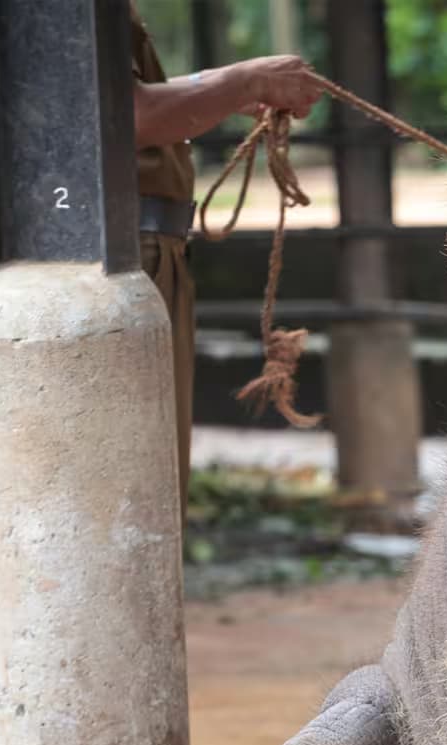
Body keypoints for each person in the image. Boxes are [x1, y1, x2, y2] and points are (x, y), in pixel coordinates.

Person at [127, 7, 325, 494]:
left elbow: (126, 97)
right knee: (138, 467)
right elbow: (125, 115)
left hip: (152, 246)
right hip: (120, 253)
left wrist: (222, 86)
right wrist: (244, 82)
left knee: (158, 461)